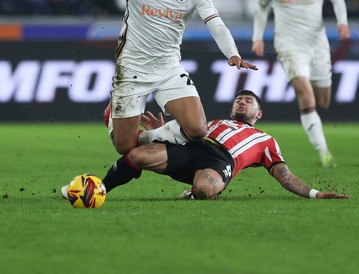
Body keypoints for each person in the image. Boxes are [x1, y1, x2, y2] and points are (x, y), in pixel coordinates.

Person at [19, 0, 257, 155]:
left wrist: (232, 53)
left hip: (168, 68)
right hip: (132, 69)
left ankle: (152, 135)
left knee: (197, 130)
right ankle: (113, 115)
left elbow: (215, 24)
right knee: (124, 147)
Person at [62, 90, 348, 201]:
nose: (242, 101)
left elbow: (284, 176)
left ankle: (193, 193)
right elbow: (183, 133)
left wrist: (314, 193)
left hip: (219, 161)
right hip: (193, 147)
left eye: (249, 101)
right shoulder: (210, 123)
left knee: (203, 190)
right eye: (239, 99)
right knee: (136, 155)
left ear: (258, 114)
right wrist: (158, 131)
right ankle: (98, 190)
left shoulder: (266, 141)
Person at [251, 0, 350, 168]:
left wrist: (342, 23)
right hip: (289, 44)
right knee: (305, 96)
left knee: (322, 102)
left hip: (317, 44)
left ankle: (317, 130)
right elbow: (262, 8)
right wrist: (257, 37)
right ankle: (324, 151)